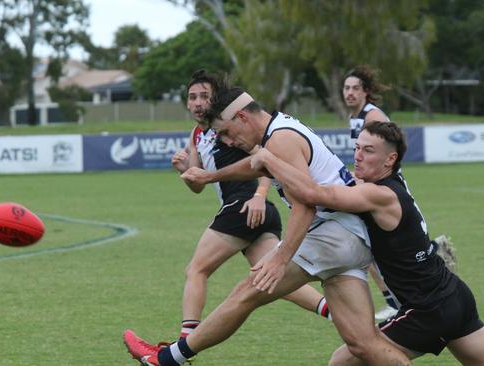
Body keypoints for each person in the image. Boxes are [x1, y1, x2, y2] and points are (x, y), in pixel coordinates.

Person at [249, 121, 484, 365]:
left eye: (368, 151)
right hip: (453, 295)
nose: (358, 155)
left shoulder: (377, 195)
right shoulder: (389, 184)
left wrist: (269, 158)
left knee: (344, 359)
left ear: (390, 159)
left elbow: (311, 193)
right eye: (357, 148)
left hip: (427, 309)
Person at [124, 86, 410, 366]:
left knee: (245, 293)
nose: (227, 142)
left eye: (225, 132)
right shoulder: (278, 131)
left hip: (335, 234)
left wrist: (281, 257)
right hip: (351, 239)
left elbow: (305, 205)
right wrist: (210, 177)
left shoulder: (280, 139)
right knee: (363, 344)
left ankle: (166, 359)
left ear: (243, 118)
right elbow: (257, 166)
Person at [168, 70, 330, 340]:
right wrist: (185, 170)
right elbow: (198, 185)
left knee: (196, 269)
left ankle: (186, 340)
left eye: (204, 96)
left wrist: (259, 196)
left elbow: (264, 157)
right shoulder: (197, 135)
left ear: (216, 100)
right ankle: (333, 310)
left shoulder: (229, 129)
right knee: (268, 279)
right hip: (257, 214)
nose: (197, 102)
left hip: (244, 206)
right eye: (192, 97)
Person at [343, 65, 456, 320]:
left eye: (355, 88)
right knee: (371, 242)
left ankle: (400, 294)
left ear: (366, 92)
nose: (349, 93)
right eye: (346, 88)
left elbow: (388, 155)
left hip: (387, 187)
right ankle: (427, 257)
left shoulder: (373, 117)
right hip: (375, 186)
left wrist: (364, 188)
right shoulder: (356, 118)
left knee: (377, 242)